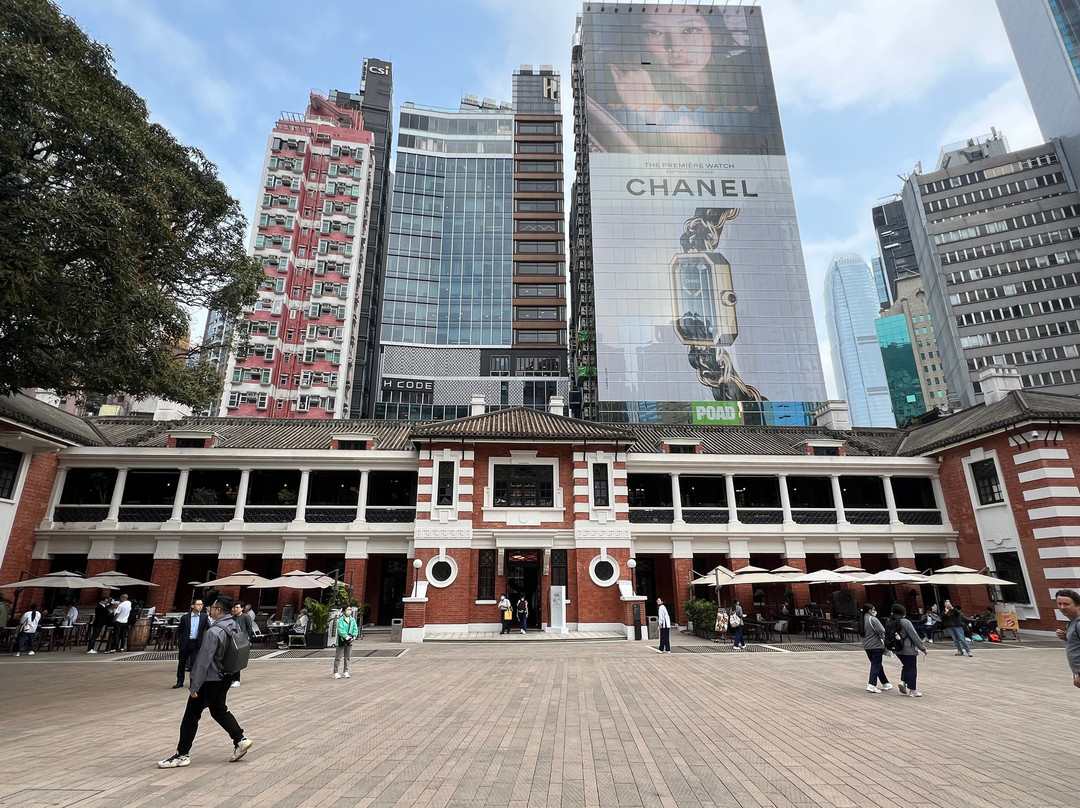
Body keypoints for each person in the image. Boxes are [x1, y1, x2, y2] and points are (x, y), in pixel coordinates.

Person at [158, 594, 253, 769]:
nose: (209, 610)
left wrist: (194, 685)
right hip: (226, 676)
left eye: (212, 607)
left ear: (218, 610)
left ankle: (182, 754)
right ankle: (240, 739)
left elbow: (203, 661)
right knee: (218, 709)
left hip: (209, 679)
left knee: (191, 716)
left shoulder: (214, 632)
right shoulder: (233, 626)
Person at [889, 604, 928, 697]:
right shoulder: (905, 622)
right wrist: (922, 648)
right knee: (911, 668)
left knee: (906, 665)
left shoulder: (890, 621)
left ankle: (903, 681)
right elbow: (914, 635)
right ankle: (912, 689)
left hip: (897, 648)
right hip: (908, 648)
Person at [175, 599, 209, 689]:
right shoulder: (185, 617)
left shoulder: (204, 617)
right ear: (192, 606)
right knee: (182, 663)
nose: (200, 606)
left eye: (201, 604)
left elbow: (207, 628)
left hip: (196, 643)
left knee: (194, 664)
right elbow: (180, 630)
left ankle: (193, 682)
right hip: (186, 642)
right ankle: (179, 681)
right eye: (198, 605)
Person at [858, 604, 892, 694]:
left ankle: (885, 683)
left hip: (867, 646)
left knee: (876, 664)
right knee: (876, 664)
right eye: (873, 609)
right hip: (876, 645)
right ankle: (871, 684)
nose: (875, 611)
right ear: (870, 610)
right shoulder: (872, 619)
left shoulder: (862, 619)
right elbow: (882, 630)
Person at [1054, 589, 1080, 691]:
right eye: (1059, 604)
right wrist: (1067, 637)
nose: (1062, 607)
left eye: (1066, 604)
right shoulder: (1072, 622)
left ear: (1077, 605)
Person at [229, 602, 255, 687]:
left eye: (237, 607)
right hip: (233, 640)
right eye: (234, 607)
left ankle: (237, 679)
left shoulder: (245, 616)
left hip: (242, 640)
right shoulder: (233, 618)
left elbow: (249, 628)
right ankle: (232, 678)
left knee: (238, 660)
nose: (235, 609)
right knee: (232, 660)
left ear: (242, 608)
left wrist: (247, 638)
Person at [332, 606, 359, 679]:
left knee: (347, 656)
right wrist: (347, 637)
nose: (349, 611)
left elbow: (355, 629)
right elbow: (340, 630)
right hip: (342, 640)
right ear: (344, 611)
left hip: (350, 641)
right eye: (348, 609)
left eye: (350, 609)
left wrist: (354, 636)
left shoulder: (352, 619)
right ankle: (335, 672)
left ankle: (346, 671)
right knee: (338, 656)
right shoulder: (340, 619)